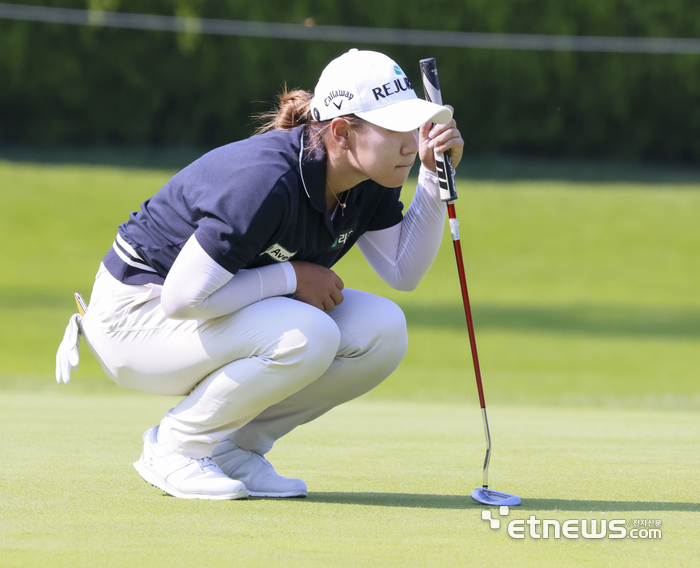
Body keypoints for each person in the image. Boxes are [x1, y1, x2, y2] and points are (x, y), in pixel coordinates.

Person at [55, 48, 464, 500]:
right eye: (392, 129)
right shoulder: (266, 180)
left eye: (413, 125)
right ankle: (176, 447)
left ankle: (234, 449)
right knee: (308, 333)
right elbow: (181, 299)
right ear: (343, 133)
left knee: (383, 330)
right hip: (135, 317)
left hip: (211, 312)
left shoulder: (371, 180)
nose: (411, 141)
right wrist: (292, 277)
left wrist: (431, 177)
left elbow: (402, 272)